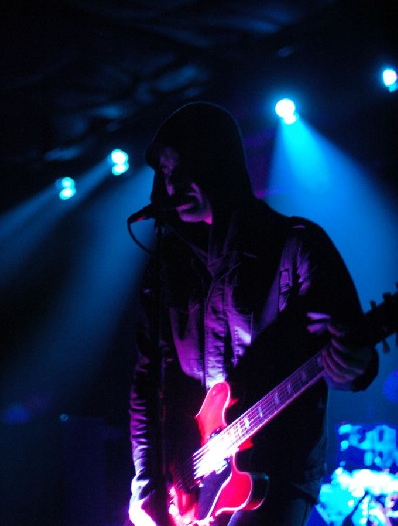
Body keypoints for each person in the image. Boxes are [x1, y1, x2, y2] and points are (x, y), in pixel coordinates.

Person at [128, 101, 378, 526]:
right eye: (166, 175)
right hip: (196, 473)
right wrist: (149, 483)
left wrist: (354, 363)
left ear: (219, 163)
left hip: (278, 471)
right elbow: (147, 385)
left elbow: (351, 353)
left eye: (184, 169)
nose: (172, 188)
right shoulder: (168, 269)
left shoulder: (297, 246)